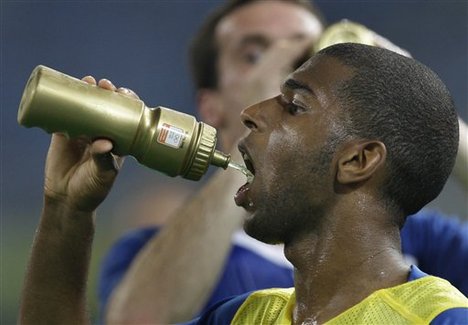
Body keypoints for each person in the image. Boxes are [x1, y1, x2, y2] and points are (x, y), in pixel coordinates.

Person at [18, 43, 468, 325]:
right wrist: (66, 211)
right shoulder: (245, 315)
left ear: (357, 159)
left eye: (293, 106)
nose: (252, 112)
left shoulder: (440, 318)